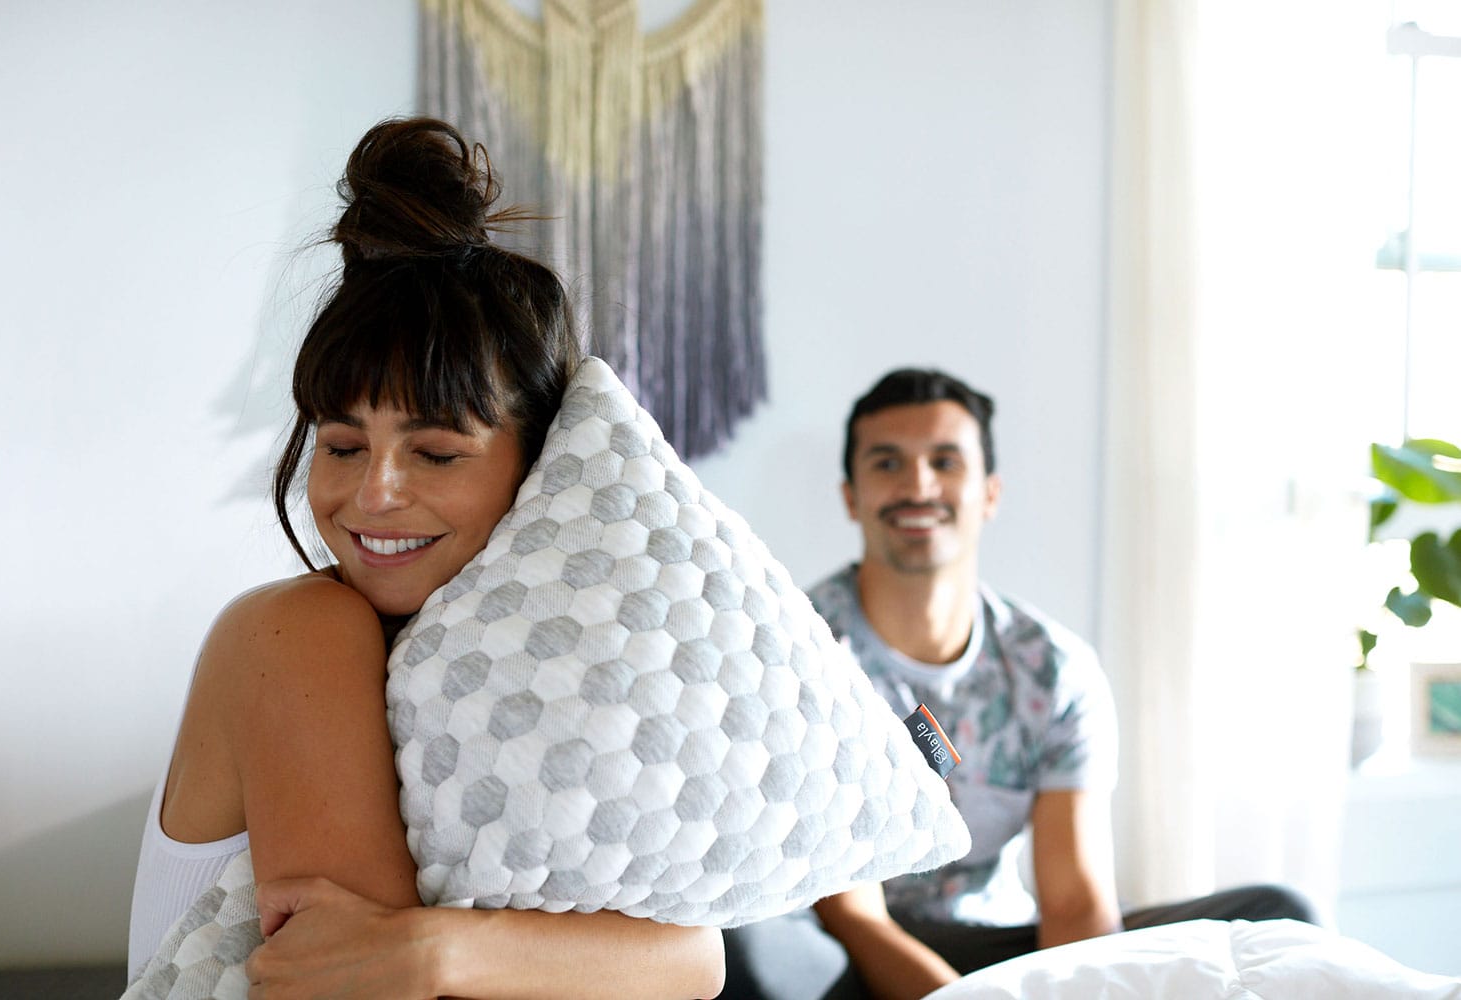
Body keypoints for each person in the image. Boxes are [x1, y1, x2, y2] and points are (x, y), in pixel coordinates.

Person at [125, 117, 724, 1000]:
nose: (372, 495)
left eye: (435, 453)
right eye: (341, 445)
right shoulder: (298, 628)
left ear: (542, 465)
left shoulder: (524, 668)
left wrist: (435, 948)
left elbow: (696, 958)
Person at [720, 368, 1313, 1000]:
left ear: (989, 493)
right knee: (739, 947)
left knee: (1276, 915)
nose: (918, 484)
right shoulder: (799, 651)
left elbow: (1075, 902)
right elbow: (853, 912)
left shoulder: (1052, 670)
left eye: (945, 462)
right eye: (888, 463)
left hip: (1000, 949)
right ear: (851, 495)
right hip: (849, 956)